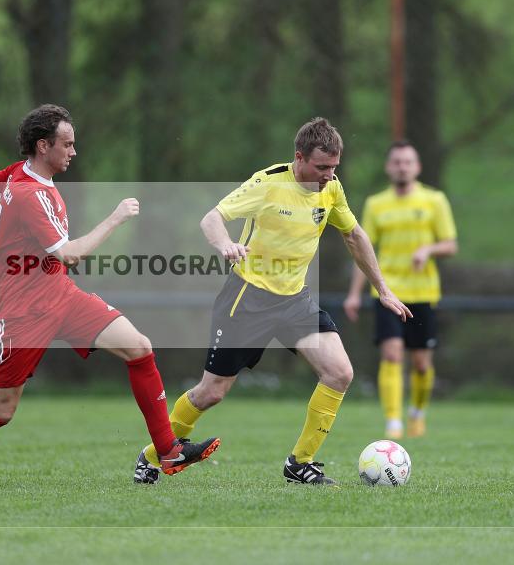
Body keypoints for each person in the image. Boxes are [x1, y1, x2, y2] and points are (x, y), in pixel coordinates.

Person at [0, 104, 219, 487]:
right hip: (22, 312)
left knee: (139, 347)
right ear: (43, 146)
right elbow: (69, 253)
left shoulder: (12, 176)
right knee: (1, 410)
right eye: (67, 145)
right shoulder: (28, 194)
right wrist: (116, 217)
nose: (73, 152)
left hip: (60, 295)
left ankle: (168, 451)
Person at [133, 117, 411, 486]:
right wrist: (225, 245)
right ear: (299, 157)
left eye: (334, 167)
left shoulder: (331, 188)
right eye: (321, 167)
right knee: (211, 392)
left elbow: (354, 235)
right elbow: (212, 218)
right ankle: (153, 456)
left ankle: (300, 463)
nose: (329, 175)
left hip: (295, 300)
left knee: (340, 372)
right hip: (248, 299)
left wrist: (383, 288)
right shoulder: (267, 184)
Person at [343, 140, 457, 439]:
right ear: (388, 167)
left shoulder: (434, 200)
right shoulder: (376, 204)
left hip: (424, 293)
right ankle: (393, 423)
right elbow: (362, 251)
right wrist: (355, 293)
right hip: (388, 292)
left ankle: (417, 413)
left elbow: (451, 244)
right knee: (392, 355)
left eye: (408, 162)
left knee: (421, 364)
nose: (402, 167)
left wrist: (428, 249)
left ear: (417, 167)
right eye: (397, 162)